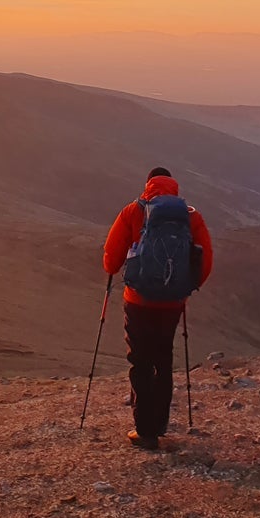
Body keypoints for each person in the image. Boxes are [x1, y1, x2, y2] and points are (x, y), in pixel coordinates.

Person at [102, 167, 213, 449]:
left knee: (140, 361)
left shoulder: (132, 212)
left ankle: (145, 430)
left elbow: (111, 259)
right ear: (174, 187)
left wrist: (115, 268)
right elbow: (205, 259)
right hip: (172, 304)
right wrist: (185, 287)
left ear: (148, 185)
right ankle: (160, 423)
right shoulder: (191, 216)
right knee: (162, 359)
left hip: (138, 301)